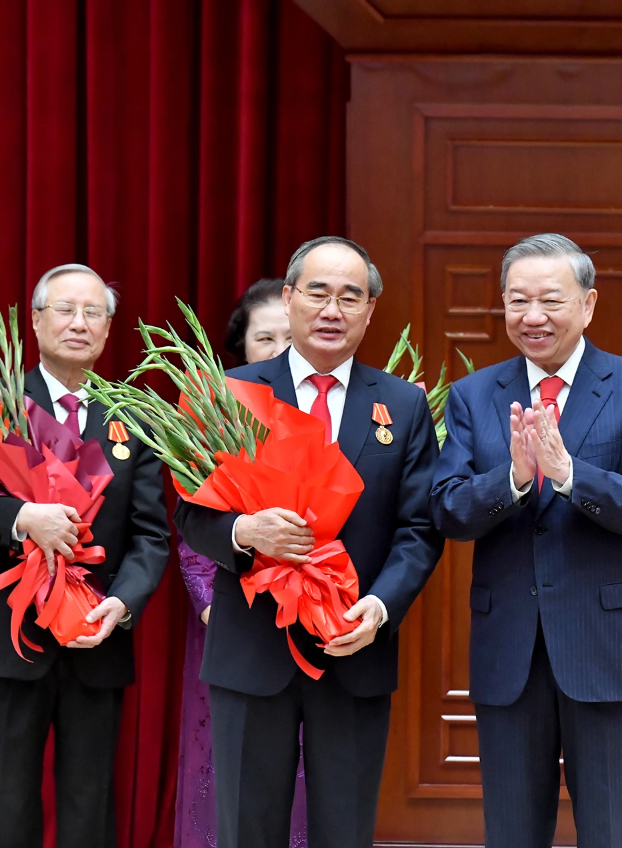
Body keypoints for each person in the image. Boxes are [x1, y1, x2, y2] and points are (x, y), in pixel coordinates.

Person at [174, 236, 443, 848]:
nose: (333, 309)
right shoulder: (230, 392)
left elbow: (419, 528)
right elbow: (190, 517)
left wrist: (379, 608)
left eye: (352, 296)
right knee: (249, 828)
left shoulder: (402, 405)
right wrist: (244, 531)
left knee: (344, 831)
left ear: (371, 311)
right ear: (290, 298)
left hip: (354, 648)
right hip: (252, 645)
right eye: (318, 292)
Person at [431, 233, 622, 848]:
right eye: (517, 301)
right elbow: (447, 511)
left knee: (612, 831)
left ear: (589, 304)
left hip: (607, 643)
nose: (532, 316)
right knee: (512, 832)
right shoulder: (473, 395)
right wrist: (512, 480)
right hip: (508, 647)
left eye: (550, 300)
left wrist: (570, 477)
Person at [0, 263, 171, 848]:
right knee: (3, 798)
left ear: (109, 329)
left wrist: (123, 603)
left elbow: (151, 534)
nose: (79, 322)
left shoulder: (134, 417)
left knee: (90, 801)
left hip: (95, 634)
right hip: (7, 637)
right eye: (65, 309)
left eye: (94, 312)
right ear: (37, 321)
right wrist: (23, 519)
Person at [175, 278, 302, 848]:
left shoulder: (332, 409)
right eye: (264, 337)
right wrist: (207, 602)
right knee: (236, 771)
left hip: (317, 615)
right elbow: (192, 518)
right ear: (243, 347)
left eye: (286, 336)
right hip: (234, 614)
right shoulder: (217, 413)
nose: (277, 349)